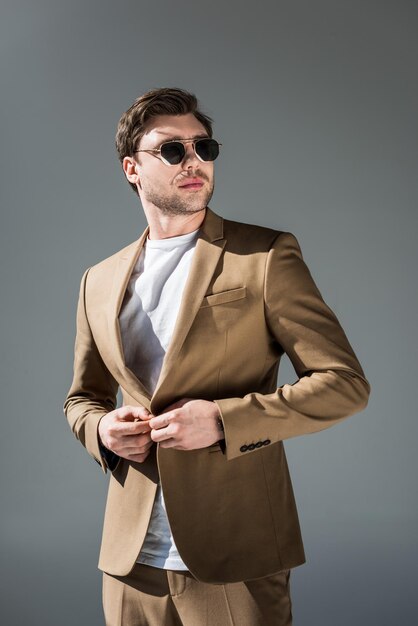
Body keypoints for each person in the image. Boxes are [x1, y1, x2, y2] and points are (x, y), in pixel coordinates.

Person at [64, 87, 371, 626]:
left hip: (237, 552)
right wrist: (102, 431)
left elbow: (344, 383)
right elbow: (82, 399)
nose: (195, 162)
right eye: (173, 150)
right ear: (132, 168)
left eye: (203, 147)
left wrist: (225, 421)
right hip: (129, 561)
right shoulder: (99, 280)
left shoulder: (265, 256)